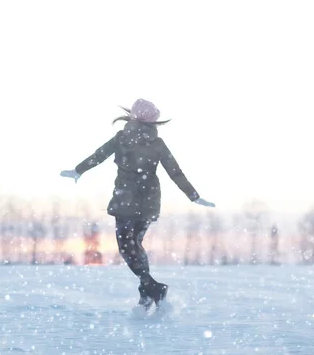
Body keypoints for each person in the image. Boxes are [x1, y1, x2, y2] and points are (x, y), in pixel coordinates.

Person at [60, 98, 215, 309]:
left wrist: (78, 170)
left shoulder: (122, 138)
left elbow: (99, 156)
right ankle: (146, 292)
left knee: (127, 247)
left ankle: (153, 288)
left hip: (126, 198)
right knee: (136, 245)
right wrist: (193, 195)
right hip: (148, 199)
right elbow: (175, 172)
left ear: (133, 116)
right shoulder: (156, 143)